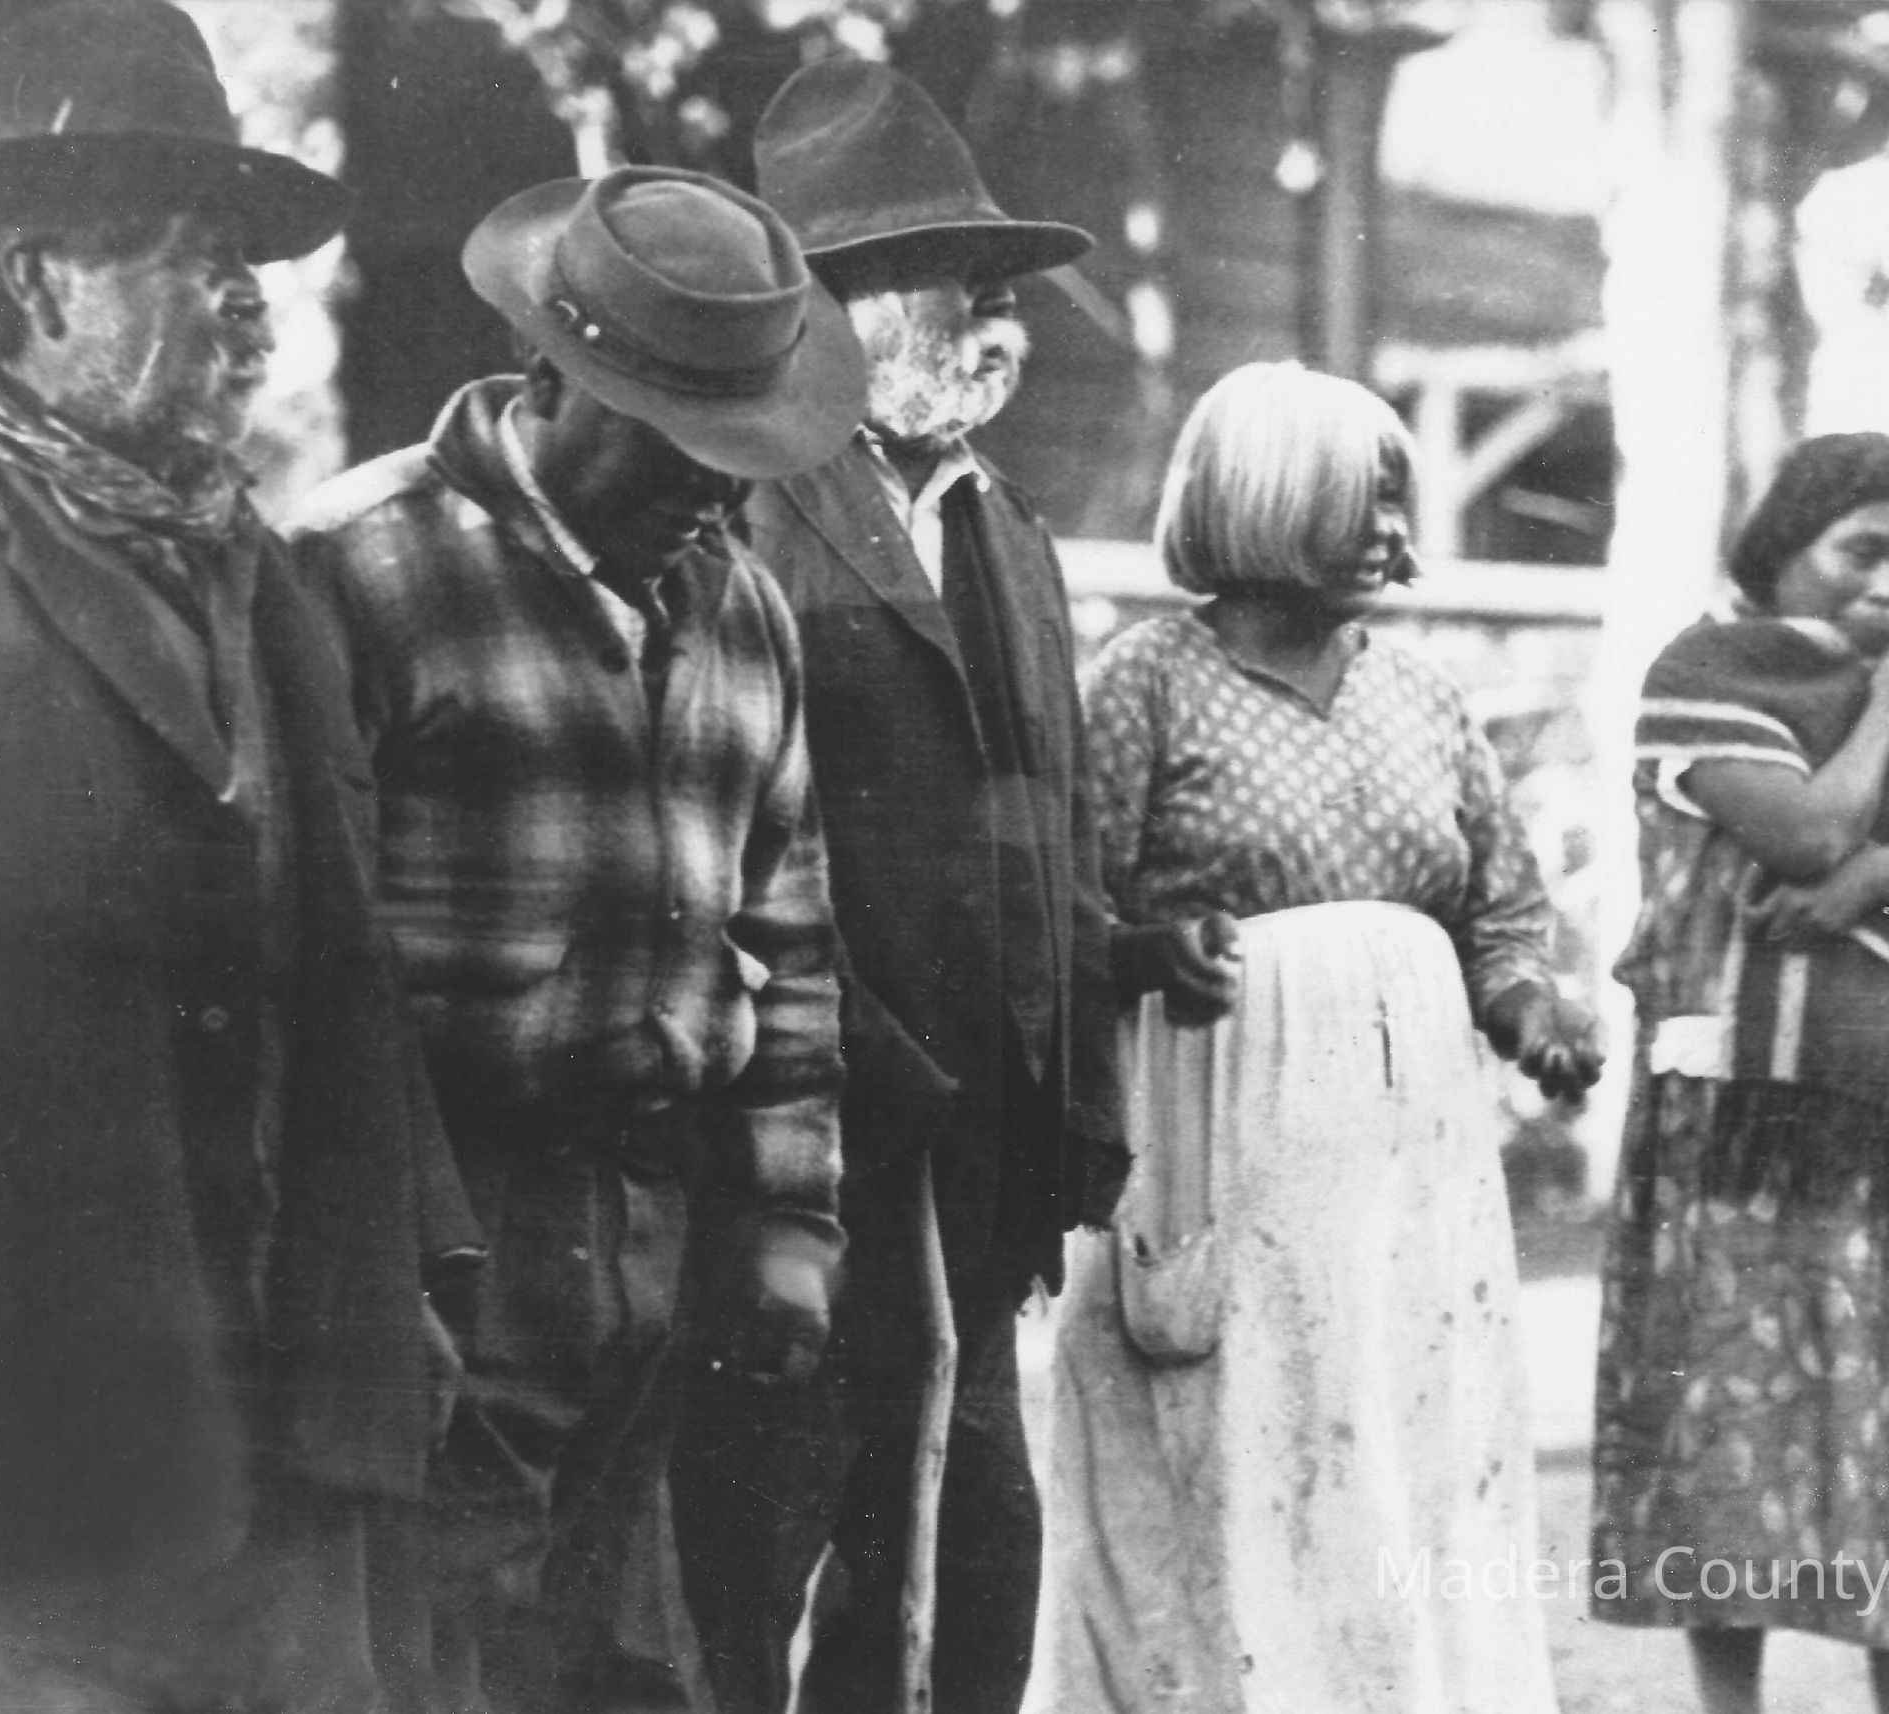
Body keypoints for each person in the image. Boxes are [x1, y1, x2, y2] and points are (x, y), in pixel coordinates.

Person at [0, 3, 478, 1709]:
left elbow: (344, 946)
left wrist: (414, 1266)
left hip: (288, 1400)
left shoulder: (247, 565)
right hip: (18, 1426)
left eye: (251, 260)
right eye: (189, 253)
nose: (246, 302)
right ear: (34, 278)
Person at [289, 168, 863, 1713]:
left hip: (661, 1216)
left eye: (742, 452)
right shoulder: (357, 567)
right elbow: (300, 961)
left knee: (621, 1658)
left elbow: (790, 927)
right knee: (444, 1649)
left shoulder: (743, 608)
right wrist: (382, 1255)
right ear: (550, 376)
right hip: (450, 1222)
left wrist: (791, 1218)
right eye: (676, 440)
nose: (714, 490)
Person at [1031, 359, 1597, 1714]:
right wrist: (1144, 952)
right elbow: (1061, 912)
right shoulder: (1148, 683)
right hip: (1219, 1125)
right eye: (1367, 501)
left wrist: (1529, 1008)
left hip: (1412, 1161)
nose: (1398, 531)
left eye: (1399, 499)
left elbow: (1499, 910)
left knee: (1405, 1435)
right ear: (1271, 503)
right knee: (1231, 1433)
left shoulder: (1423, 693)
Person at [667, 57, 1125, 1714]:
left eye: (1002, 278)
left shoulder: (1005, 526)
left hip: (986, 1144)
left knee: (975, 1532)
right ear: (836, 307)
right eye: (951, 271)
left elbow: (1056, 839)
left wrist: (1075, 1086)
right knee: (770, 1531)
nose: (1000, 311)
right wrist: (853, 1066)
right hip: (809, 1133)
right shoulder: (743, 512)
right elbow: (718, 840)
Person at [1590, 433, 1889, 1714]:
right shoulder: (1705, 674)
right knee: (1731, 1413)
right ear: (1783, 547)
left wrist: (1883, 879)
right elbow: (1805, 831)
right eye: (1862, 552)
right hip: (1747, 1107)